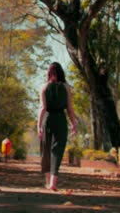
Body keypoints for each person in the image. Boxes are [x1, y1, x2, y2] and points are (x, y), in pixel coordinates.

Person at [38, 62, 77, 191]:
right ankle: (53, 183)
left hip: (48, 119)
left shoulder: (44, 87)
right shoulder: (66, 87)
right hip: (61, 120)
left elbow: (43, 108)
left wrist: (39, 125)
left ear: (49, 73)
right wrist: (73, 124)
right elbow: (70, 109)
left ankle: (48, 182)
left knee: (46, 151)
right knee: (57, 150)